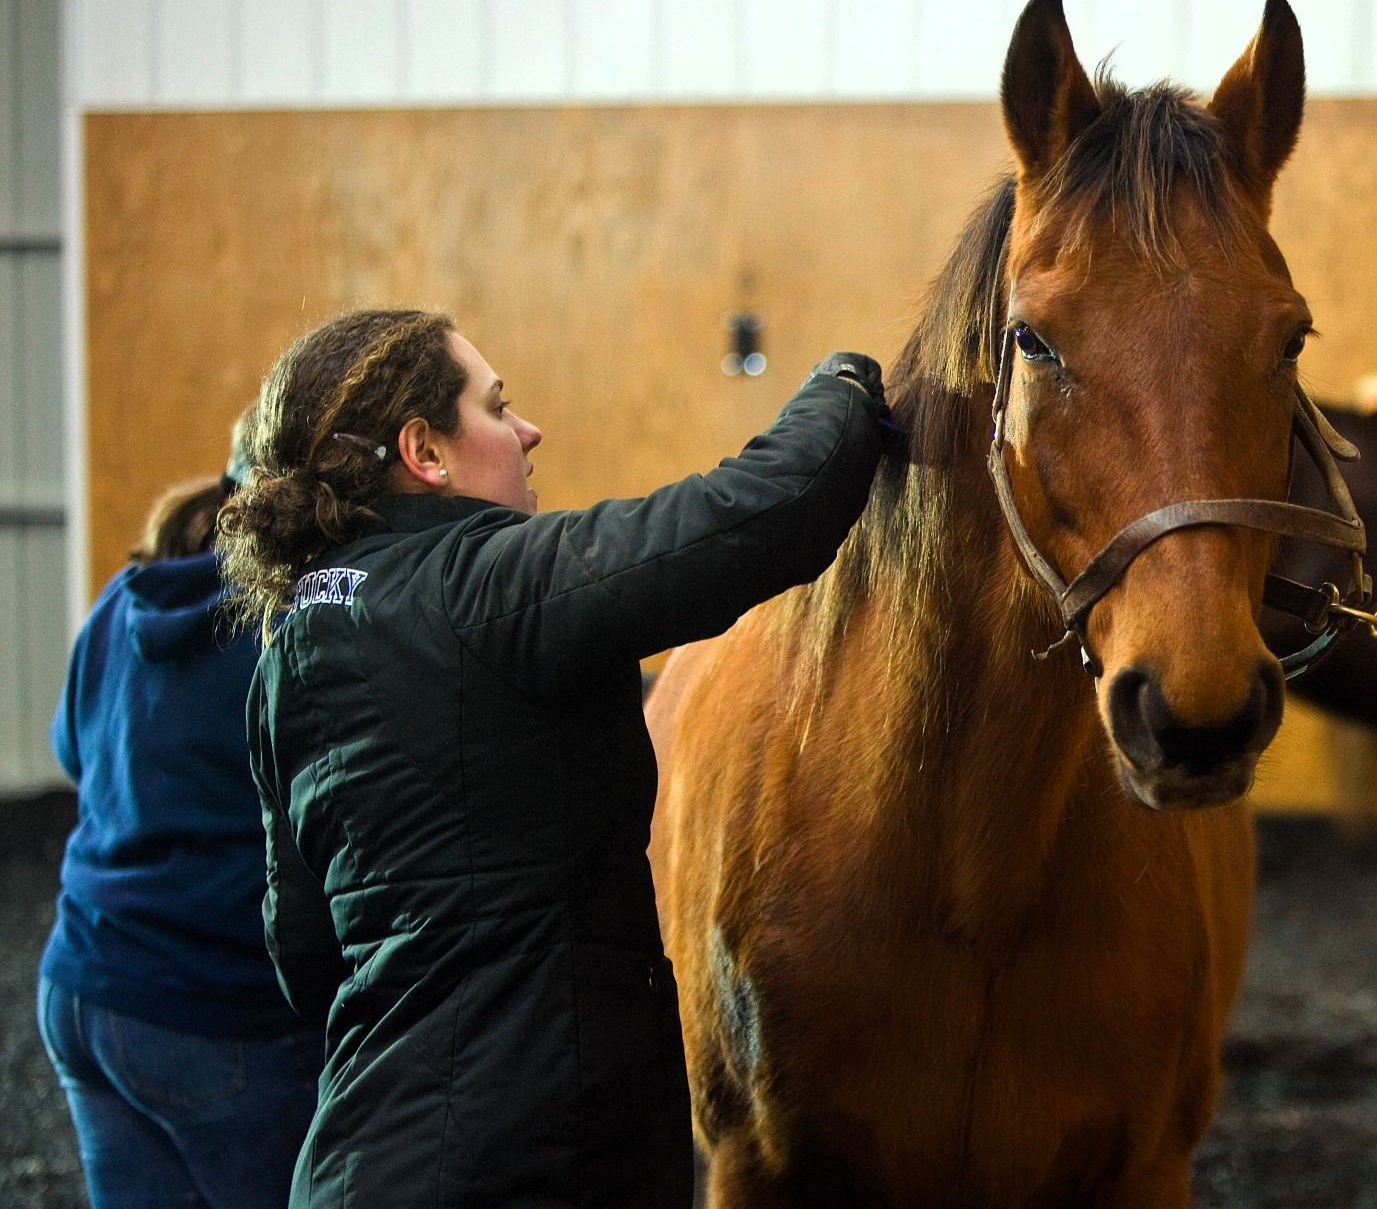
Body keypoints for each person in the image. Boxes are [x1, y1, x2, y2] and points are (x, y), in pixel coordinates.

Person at [218, 307, 888, 1207]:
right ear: (426, 450)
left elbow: (305, 954)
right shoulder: (486, 588)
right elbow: (755, 515)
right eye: (498, 408)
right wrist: (846, 384)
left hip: (358, 1163)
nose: (528, 431)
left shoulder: (287, 649)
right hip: (525, 1162)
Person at [38, 418, 324, 1209]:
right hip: (213, 1012)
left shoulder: (119, 601)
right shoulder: (282, 628)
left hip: (82, 984)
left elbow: (73, 749)